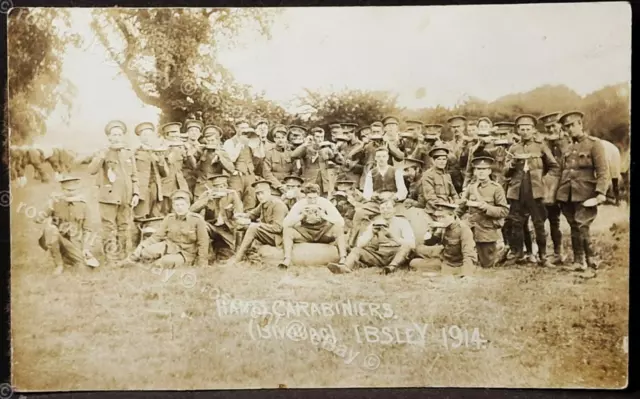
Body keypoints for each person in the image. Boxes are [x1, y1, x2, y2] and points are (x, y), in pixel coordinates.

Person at [556, 111, 609, 273]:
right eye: (566, 126)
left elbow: (603, 171)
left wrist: (600, 193)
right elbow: (562, 170)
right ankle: (578, 261)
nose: (569, 129)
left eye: (572, 125)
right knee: (573, 225)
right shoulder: (567, 146)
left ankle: (591, 261)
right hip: (567, 194)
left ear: (580, 124)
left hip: (586, 193)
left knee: (582, 225)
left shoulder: (594, 144)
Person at [504, 114, 559, 267]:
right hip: (518, 191)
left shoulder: (541, 146)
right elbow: (505, 172)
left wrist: (544, 182)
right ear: (518, 130)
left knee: (539, 224)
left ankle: (543, 256)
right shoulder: (514, 148)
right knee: (516, 223)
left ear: (533, 130)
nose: (525, 132)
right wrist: (513, 163)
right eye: (522, 129)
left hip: (536, 191)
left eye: (528, 129)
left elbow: (554, 167)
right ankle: (519, 254)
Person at [88, 120, 140, 263]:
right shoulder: (103, 152)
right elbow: (91, 170)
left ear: (123, 136)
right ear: (109, 137)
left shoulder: (128, 152)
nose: (116, 137)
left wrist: (136, 193)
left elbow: (134, 176)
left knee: (124, 226)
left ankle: (123, 255)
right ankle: (111, 257)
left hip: (126, 197)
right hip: (108, 197)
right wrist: (102, 155)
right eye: (114, 134)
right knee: (109, 227)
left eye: (119, 134)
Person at [123, 189, 209, 268]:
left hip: (186, 252)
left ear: (188, 205)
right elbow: (157, 236)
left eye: (182, 205)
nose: (179, 207)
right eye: (177, 205)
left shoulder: (197, 220)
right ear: (173, 206)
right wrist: (141, 246)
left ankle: (156, 263)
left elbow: (203, 242)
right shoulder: (169, 218)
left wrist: (202, 263)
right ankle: (136, 262)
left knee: (162, 263)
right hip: (169, 246)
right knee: (145, 253)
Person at [327, 199, 415, 275]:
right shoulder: (376, 223)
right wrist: (371, 233)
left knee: (405, 248)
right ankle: (345, 267)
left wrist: (393, 237)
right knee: (356, 250)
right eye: (383, 209)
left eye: (388, 208)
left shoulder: (402, 222)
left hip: (395, 253)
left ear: (394, 210)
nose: (385, 211)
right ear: (380, 211)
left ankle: (391, 268)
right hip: (379, 254)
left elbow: (412, 244)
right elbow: (360, 244)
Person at [35, 176, 96, 274]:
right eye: (68, 190)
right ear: (62, 190)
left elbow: (87, 229)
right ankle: (59, 264)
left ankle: (68, 259)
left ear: (78, 190)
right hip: (57, 239)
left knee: (84, 268)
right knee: (51, 229)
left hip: (75, 243)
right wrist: (48, 206)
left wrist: (86, 248)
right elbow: (37, 219)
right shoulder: (55, 203)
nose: (71, 192)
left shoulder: (84, 206)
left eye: (74, 190)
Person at [456, 155, 509, 268]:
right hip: (470, 228)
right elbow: (461, 208)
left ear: (489, 171)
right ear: (475, 171)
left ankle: (500, 251)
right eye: (478, 169)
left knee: (486, 264)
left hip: (486, 231)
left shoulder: (496, 188)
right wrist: (453, 217)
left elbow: (504, 211)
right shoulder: (471, 187)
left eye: (484, 169)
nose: (481, 172)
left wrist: (486, 207)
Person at [349, 147, 408, 247]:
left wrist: (393, 197)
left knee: (403, 216)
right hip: (376, 202)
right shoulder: (372, 173)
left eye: (384, 156)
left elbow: (403, 191)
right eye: (379, 156)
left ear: (388, 157)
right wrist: (373, 196)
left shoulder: (395, 171)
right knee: (359, 213)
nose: (381, 159)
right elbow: (367, 192)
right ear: (375, 158)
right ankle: (352, 241)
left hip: (392, 201)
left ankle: (403, 242)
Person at [280, 183, 347, 269]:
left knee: (338, 229)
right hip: (305, 232)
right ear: (305, 196)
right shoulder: (300, 204)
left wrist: (324, 216)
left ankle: (343, 259)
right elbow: (285, 223)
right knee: (287, 230)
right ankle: (287, 259)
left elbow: (341, 222)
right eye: (309, 198)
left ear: (318, 196)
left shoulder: (325, 203)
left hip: (322, 232)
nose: (312, 201)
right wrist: (301, 216)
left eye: (315, 198)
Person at [409, 201, 477, 277]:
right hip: (443, 254)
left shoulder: (463, 230)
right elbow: (430, 243)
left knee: (413, 263)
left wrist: (466, 274)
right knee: (417, 249)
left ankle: (441, 270)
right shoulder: (445, 226)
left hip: (453, 263)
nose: (439, 220)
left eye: (442, 217)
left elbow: (468, 254)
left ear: (452, 215)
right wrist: (435, 231)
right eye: (437, 217)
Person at [538, 112, 571, 264]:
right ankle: (557, 252)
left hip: (567, 184)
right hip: (550, 185)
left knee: (574, 220)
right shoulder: (543, 142)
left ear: (559, 124)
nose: (551, 129)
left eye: (553, 126)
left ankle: (581, 255)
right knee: (552, 219)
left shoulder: (568, 139)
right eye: (547, 127)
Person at [233, 180, 289, 263]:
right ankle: (242, 255)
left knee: (253, 227)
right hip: (269, 233)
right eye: (258, 194)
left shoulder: (277, 205)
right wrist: (241, 215)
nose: (260, 196)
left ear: (269, 192)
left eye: (262, 193)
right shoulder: (264, 203)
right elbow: (253, 214)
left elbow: (278, 228)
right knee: (241, 226)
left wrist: (253, 224)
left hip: (278, 238)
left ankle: (237, 259)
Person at [190, 174, 243, 261]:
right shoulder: (207, 194)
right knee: (203, 226)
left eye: (221, 186)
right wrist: (207, 200)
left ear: (225, 186)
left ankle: (224, 250)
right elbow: (191, 210)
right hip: (211, 227)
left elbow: (239, 212)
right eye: (215, 186)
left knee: (226, 256)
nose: (218, 189)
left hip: (226, 230)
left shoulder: (232, 194)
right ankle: (205, 254)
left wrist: (235, 215)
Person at [133, 122, 167, 220]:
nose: (147, 137)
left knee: (155, 218)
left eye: (150, 135)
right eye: (144, 135)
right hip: (142, 190)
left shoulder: (157, 152)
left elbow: (164, 174)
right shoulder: (135, 152)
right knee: (140, 217)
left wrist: (161, 161)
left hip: (156, 190)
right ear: (140, 137)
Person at [193, 125, 235, 198]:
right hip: (201, 186)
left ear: (218, 140)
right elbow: (192, 167)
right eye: (208, 140)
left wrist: (220, 158)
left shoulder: (222, 152)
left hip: (216, 185)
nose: (210, 142)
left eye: (212, 140)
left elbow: (231, 169)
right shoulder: (201, 151)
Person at [159, 122, 190, 215]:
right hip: (166, 184)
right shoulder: (161, 148)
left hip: (180, 183)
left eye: (177, 132)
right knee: (165, 210)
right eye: (172, 133)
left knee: (182, 209)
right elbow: (160, 169)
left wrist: (189, 152)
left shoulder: (182, 147)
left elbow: (190, 166)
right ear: (167, 135)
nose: (176, 135)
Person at [421, 145, 458, 217]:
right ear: (433, 160)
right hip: (434, 211)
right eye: (439, 159)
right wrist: (447, 208)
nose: (442, 162)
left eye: (444, 159)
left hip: (449, 209)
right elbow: (431, 198)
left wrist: (456, 202)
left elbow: (454, 194)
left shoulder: (447, 175)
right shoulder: (428, 175)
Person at [262, 126, 297, 194]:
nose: (280, 140)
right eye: (278, 138)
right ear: (274, 139)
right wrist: (279, 186)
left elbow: (296, 171)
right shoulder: (269, 153)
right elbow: (267, 173)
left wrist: (289, 184)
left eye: (283, 137)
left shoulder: (291, 153)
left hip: (289, 187)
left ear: (286, 139)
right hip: (273, 188)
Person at [182, 119, 205, 194]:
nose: (194, 133)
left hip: (199, 179)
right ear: (187, 133)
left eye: (196, 131)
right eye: (191, 131)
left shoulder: (203, 147)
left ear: (200, 134)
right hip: (184, 178)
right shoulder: (182, 146)